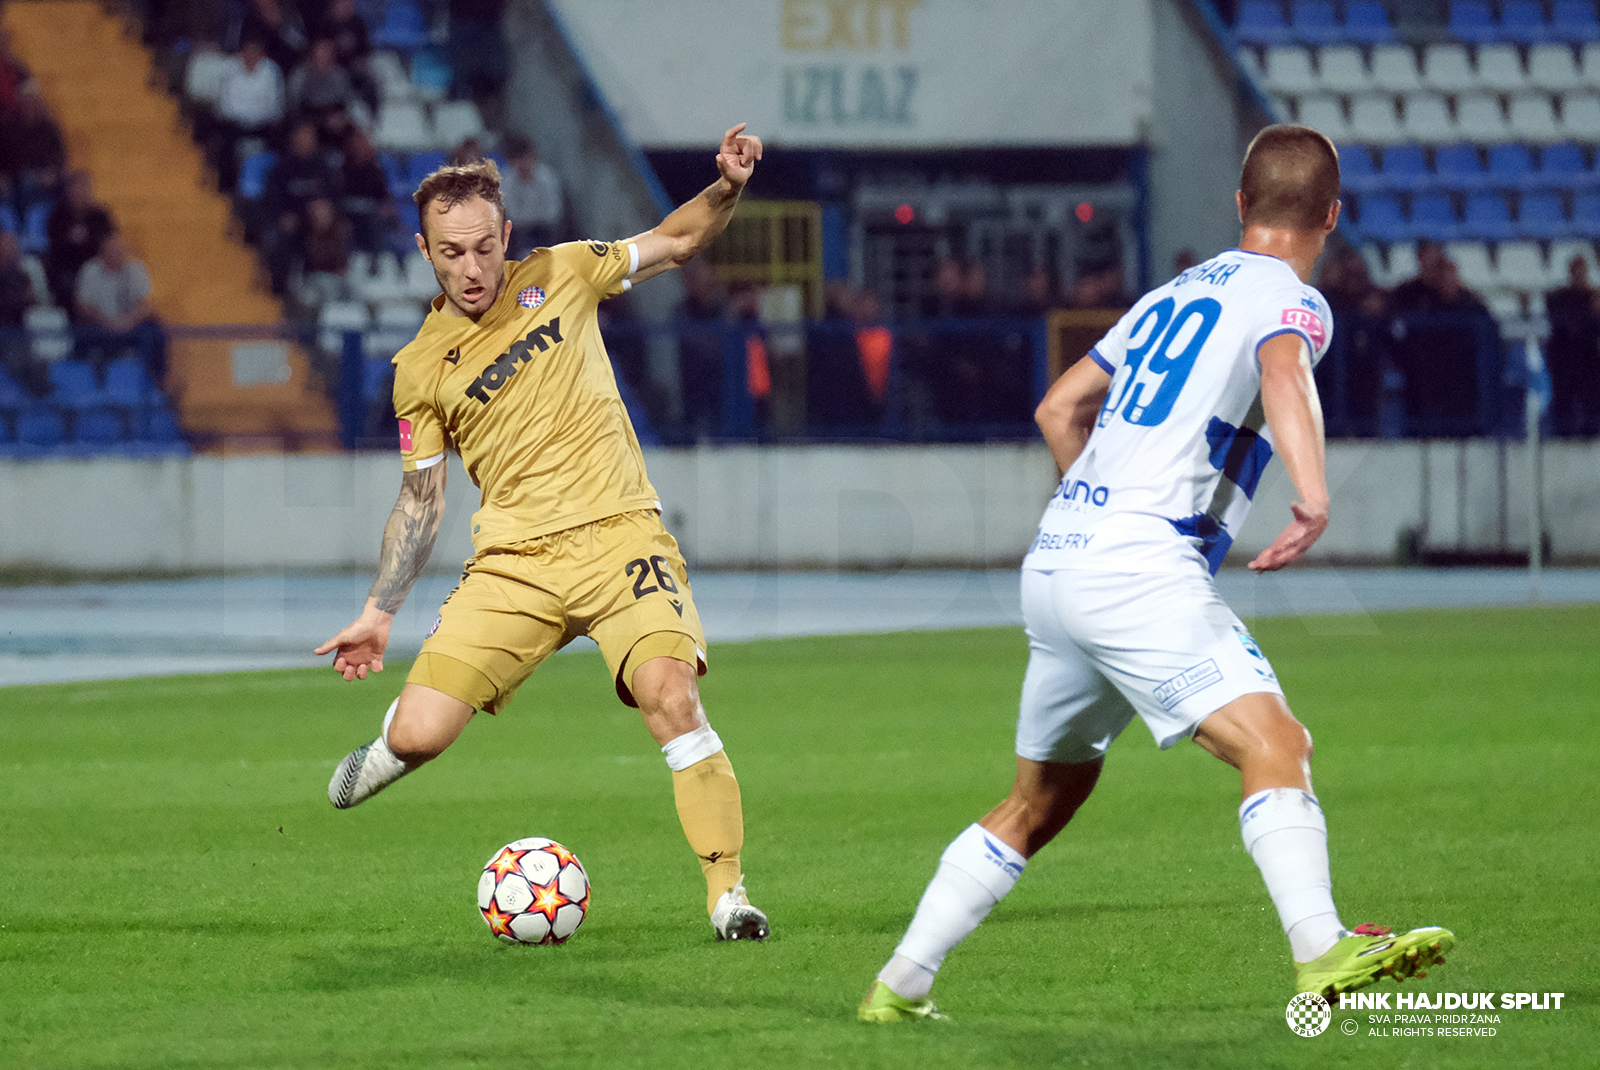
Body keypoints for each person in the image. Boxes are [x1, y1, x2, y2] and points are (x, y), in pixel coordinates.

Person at [858, 125, 1454, 1024]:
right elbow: (1284, 372)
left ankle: (898, 987)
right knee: (1276, 745)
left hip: (1059, 559)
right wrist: (1315, 495)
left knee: (1038, 801)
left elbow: (1058, 406)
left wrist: (1097, 508)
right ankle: (1322, 947)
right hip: (1138, 568)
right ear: (1332, 215)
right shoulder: (1293, 300)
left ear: (1242, 205)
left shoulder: (1168, 294)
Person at [316, 123, 773, 943]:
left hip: (620, 537)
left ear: (507, 238)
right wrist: (380, 612)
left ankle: (729, 897)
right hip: (514, 564)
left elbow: (673, 241)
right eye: (451, 252)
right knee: (423, 732)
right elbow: (422, 499)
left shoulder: (563, 272)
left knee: (672, 694)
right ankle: (388, 745)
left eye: (485, 247)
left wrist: (728, 188)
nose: (471, 268)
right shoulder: (420, 368)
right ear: (425, 251)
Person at [73, 230, 166, 380]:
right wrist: (105, 322)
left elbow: (147, 305)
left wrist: (128, 322)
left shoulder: (136, 269)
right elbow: (82, 306)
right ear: (102, 253)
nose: (118, 255)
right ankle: (92, 385)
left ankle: (154, 383)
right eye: (112, 251)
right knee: (81, 335)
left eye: (120, 251)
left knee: (155, 332)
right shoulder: (90, 271)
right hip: (100, 327)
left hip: (130, 327)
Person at [1542, 255, 1600, 437]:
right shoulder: (1560, 297)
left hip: (1587, 358)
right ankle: (1563, 434)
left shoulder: (1592, 297)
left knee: (1592, 397)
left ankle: (1591, 433)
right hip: (1565, 359)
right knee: (1564, 399)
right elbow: (1556, 318)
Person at [44, 171, 114, 312]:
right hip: (67, 268)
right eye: (79, 189)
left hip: (97, 267)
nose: (83, 193)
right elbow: (56, 246)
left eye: (86, 189)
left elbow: (109, 242)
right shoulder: (58, 216)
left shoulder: (100, 217)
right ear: (70, 191)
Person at [501, 135, 565, 258]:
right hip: (518, 229)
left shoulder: (548, 178)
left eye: (527, 159)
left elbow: (553, 212)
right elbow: (510, 212)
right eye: (520, 161)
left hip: (544, 227)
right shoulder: (507, 180)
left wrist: (534, 221)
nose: (524, 165)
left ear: (533, 158)